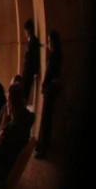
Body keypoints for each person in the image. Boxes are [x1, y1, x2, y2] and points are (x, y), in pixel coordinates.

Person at [34, 30, 62, 159]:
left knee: (46, 120)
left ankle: (43, 149)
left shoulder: (55, 56)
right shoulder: (56, 55)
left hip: (50, 91)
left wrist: (45, 86)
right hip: (50, 90)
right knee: (46, 120)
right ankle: (42, 146)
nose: (48, 44)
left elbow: (51, 75)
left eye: (49, 41)